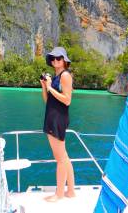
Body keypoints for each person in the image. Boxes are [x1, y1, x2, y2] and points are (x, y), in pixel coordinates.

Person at [40, 46, 75, 202]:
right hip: (52, 116)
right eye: (53, 58)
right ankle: (71, 192)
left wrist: (49, 87)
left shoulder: (65, 76)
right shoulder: (56, 77)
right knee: (64, 157)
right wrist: (44, 86)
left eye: (58, 58)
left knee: (60, 159)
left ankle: (59, 194)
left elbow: (67, 100)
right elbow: (48, 100)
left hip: (57, 119)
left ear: (64, 61)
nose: (55, 61)